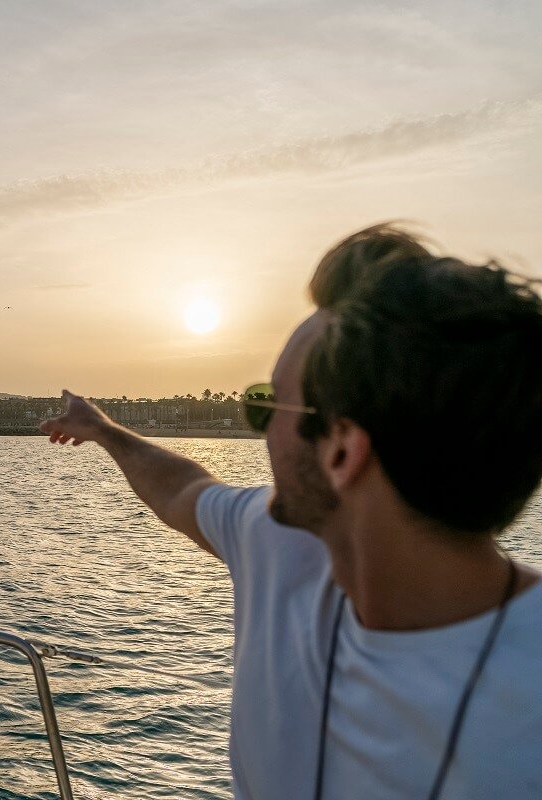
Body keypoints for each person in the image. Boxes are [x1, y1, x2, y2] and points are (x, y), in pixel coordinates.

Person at [42, 226, 542, 798]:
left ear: (341, 452)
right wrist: (102, 430)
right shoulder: (276, 542)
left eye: (268, 407)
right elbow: (183, 489)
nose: (262, 434)